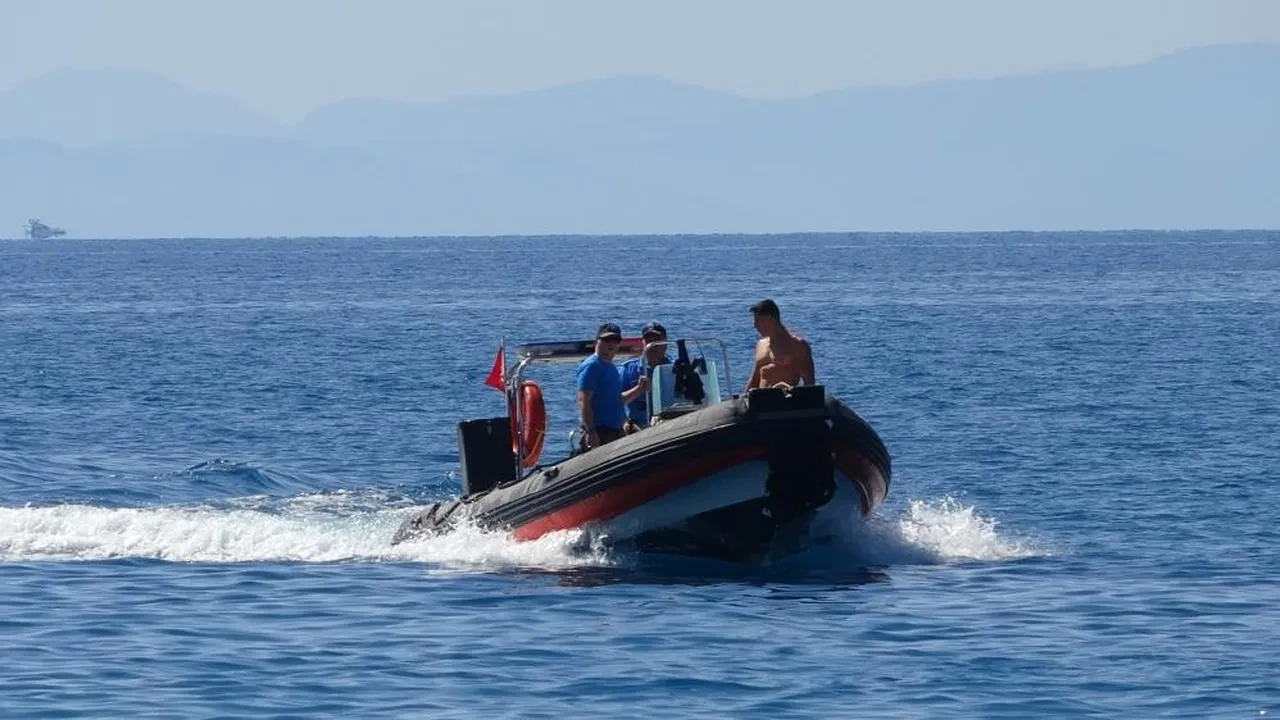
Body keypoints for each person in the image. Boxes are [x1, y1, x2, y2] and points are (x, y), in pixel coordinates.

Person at [746, 299, 815, 392]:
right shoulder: (761, 345)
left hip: (784, 399)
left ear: (770, 320)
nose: (755, 326)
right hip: (761, 399)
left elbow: (809, 383)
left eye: (757, 321)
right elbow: (755, 379)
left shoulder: (797, 345)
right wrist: (743, 397)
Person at [576, 322, 626, 450]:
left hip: (616, 431)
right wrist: (590, 431)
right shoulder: (592, 366)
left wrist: (639, 389)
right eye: (606, 340)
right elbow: (583, 400)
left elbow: (617, 400)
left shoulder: (612, 368)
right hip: (600, 432)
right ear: (597, 341)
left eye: (615, 341)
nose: (611, 345)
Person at [619, 321, 672, 433]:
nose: (652, 345)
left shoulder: (675, 369)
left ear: (665, 343)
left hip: (670, 427)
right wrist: (637, 390)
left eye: (657, 340)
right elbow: (615, 401)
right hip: (638, 431)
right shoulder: (628, 370)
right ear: (643, 343)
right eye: (648, 340)